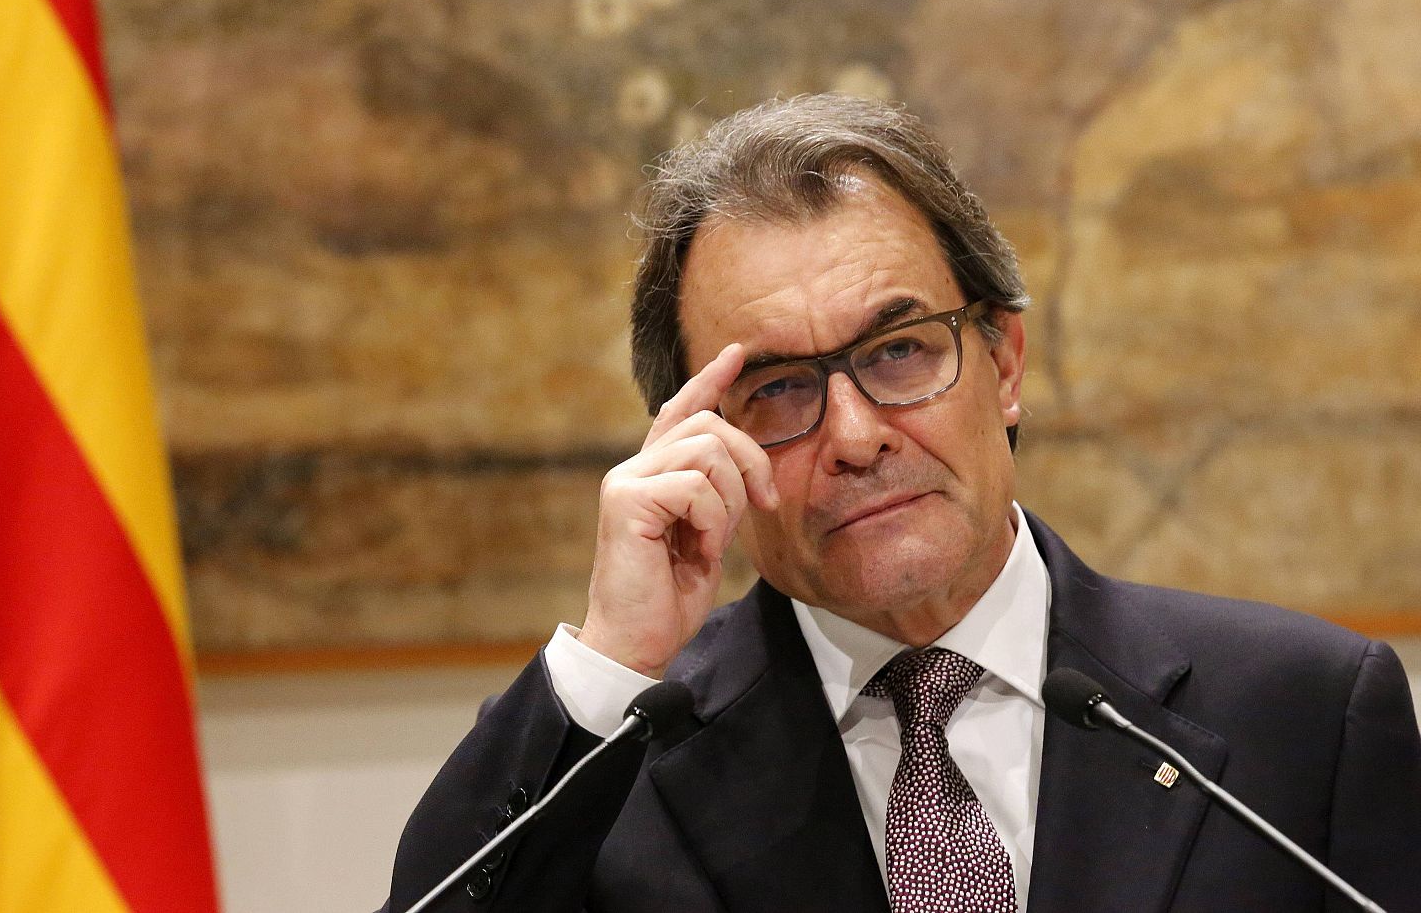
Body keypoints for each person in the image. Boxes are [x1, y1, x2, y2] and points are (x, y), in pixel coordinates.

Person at [382, 95, 1421, 912]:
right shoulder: (620, 756)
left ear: (1004, 362)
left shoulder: (1303, 712)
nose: (854, 436)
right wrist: (612, 658)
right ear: (695, 443)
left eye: (899, 351)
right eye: (776, 388)